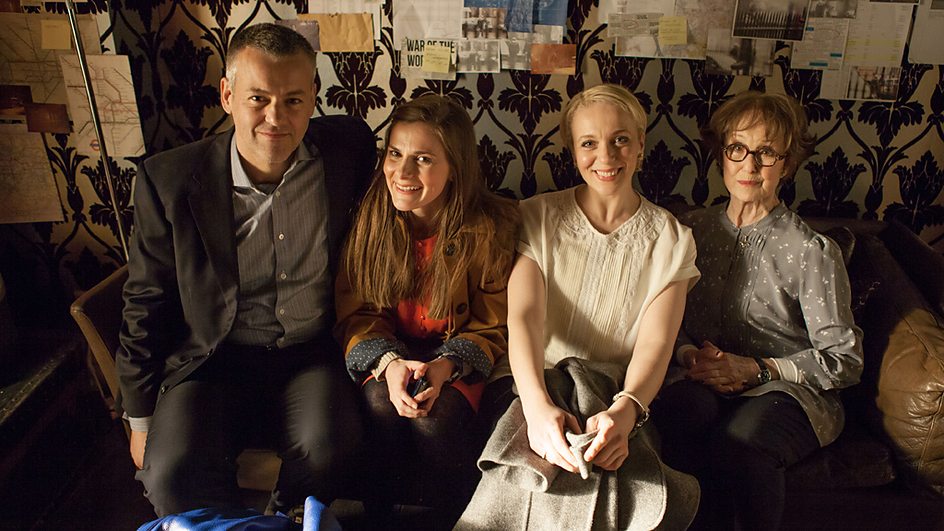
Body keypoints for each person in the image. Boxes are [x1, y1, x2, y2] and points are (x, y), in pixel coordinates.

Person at [116, 23, 376, 516]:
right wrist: (140, 419)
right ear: (227, 95)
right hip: (214, 358)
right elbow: (145, 302)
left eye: (293, 100)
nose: (276, 117)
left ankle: (281, 520)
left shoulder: (349, 149)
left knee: (330, 448)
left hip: (309, 354)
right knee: (169, 472)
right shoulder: (168, 180)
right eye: (258, 98)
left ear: (314, 96)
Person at [458, 84, 701, 529]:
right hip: (527, 382)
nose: (605, 156)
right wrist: (537, 410)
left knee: (594, 446)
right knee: (553, 446)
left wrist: (625, 413)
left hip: (617, 394)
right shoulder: (535, 216)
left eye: (620, 140)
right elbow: (524, 320)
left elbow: (656, 344)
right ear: (573, 151)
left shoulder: (672, 239)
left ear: (640, 144)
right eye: (589, 143)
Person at [652, 91, 864, 530]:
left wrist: (757, 369)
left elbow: (844, 359)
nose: (749, 165)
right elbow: (665, 318)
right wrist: (689, 355)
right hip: (700, 376)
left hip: (786, 391)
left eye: (766, 152)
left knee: (740, 445)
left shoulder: (812, 251)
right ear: (721, 156)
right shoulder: (692, 232)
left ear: (787, 164)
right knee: (675, 417)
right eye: (738, 148)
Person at [334, 94, 518, 514]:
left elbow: (492, 323)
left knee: (434, 416)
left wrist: (447, 364)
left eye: (423, 159)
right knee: (382, 402)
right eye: (395, 153)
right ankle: (379, 519)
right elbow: (358, 313)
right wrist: (389, 363)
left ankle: (462, 517)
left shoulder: (491, 226)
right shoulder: (369, 218)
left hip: (459, 356)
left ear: (455, 168)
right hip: (390, 351)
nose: (402, 172)